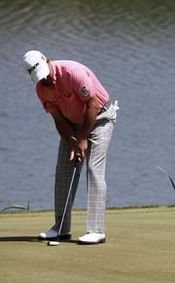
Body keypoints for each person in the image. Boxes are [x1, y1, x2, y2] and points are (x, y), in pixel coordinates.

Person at [23, 50, 117, 245]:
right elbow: (58, 118)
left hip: (100, 118)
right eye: (40, 77)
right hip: (72, 124)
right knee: (63, 171)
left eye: (45, 73)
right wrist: (72, 140)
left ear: (47, 60)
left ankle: (96, 230)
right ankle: (61, 228)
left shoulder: (72, 72)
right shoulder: (41, 88)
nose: (45, 79)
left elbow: (92, 104)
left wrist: (82, 138)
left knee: (94, 169)